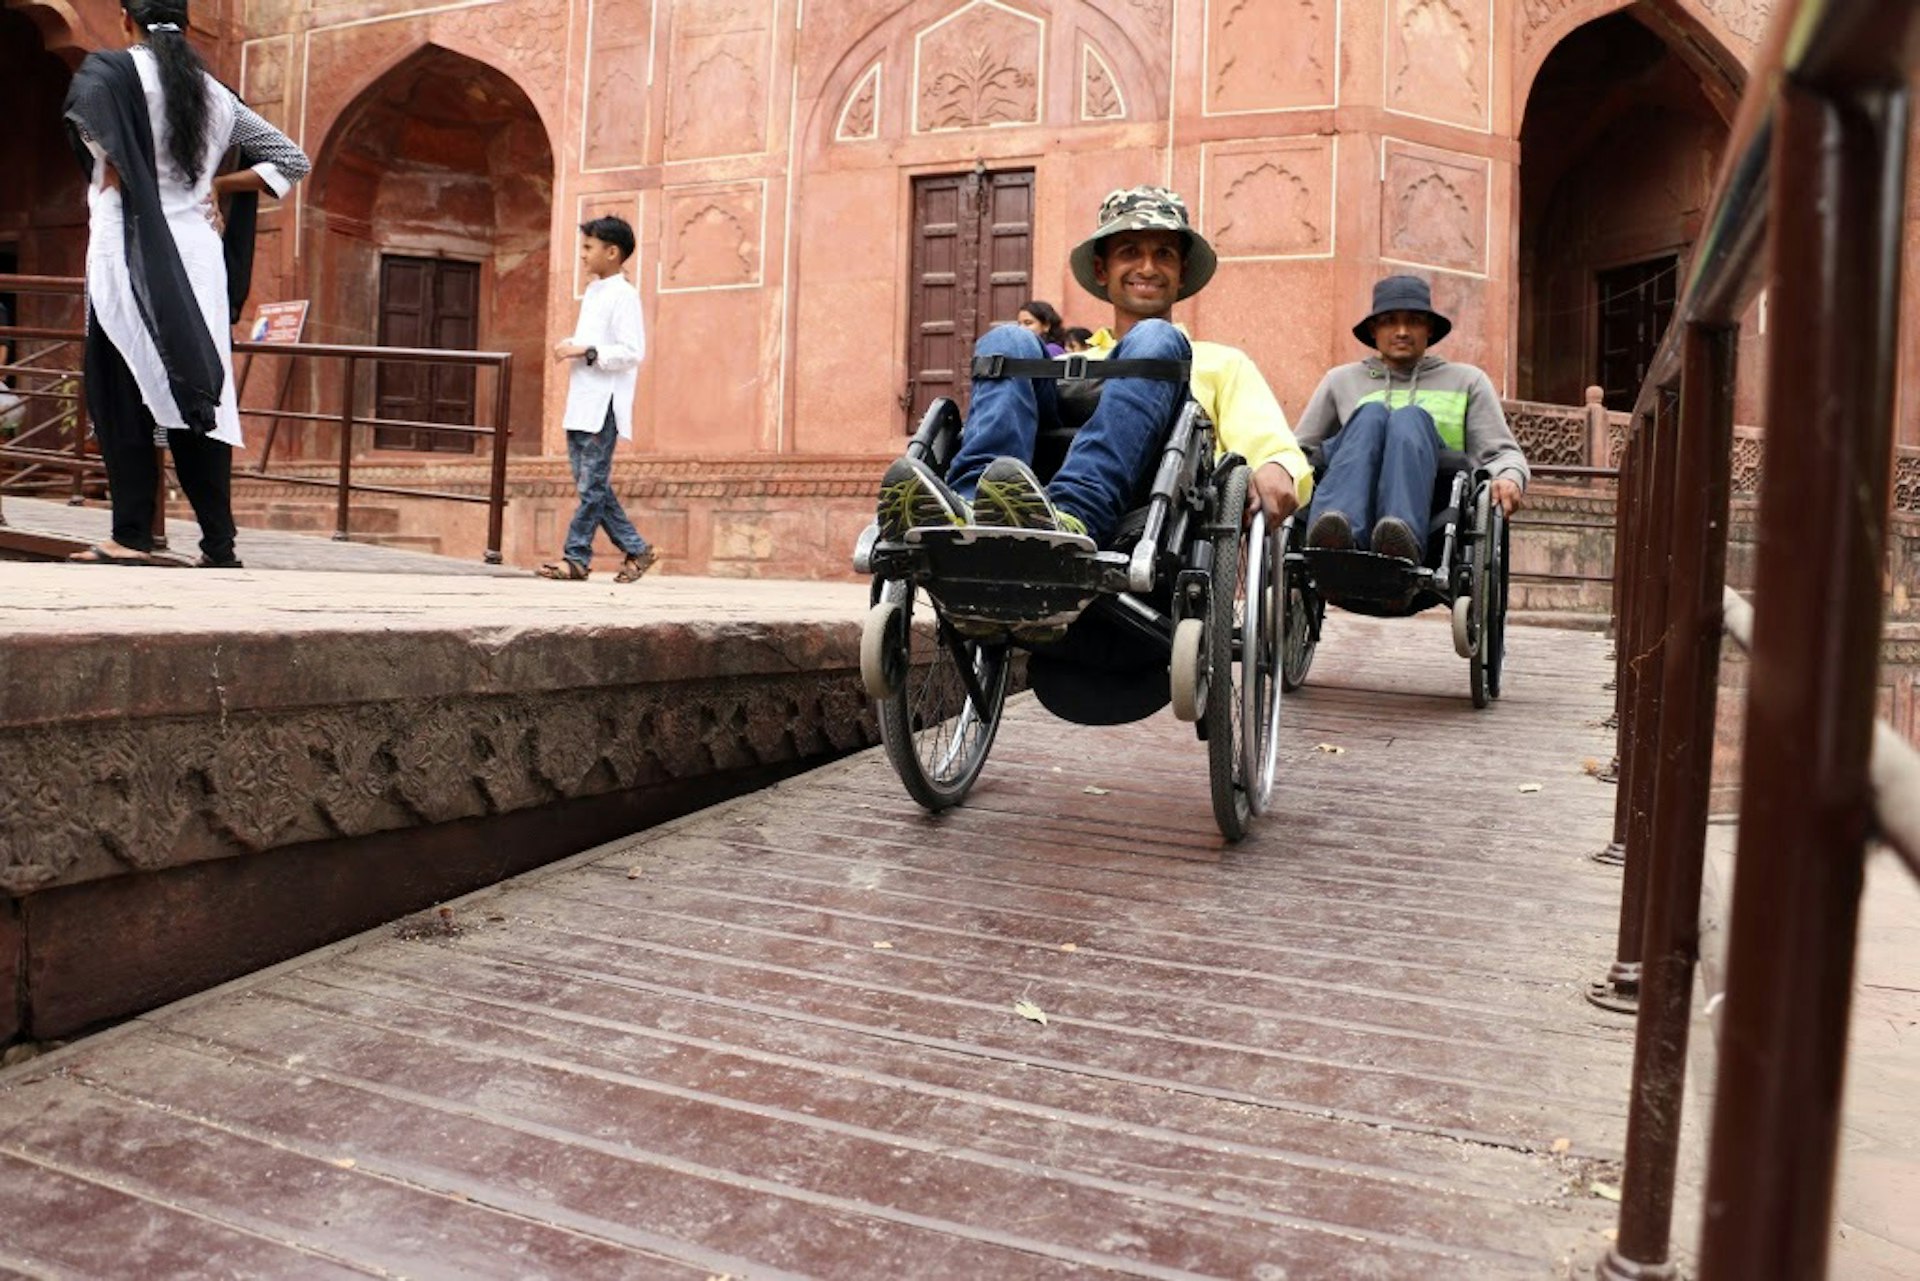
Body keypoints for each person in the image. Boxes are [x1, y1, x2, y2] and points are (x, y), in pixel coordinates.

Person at [877, 185, 1308, 551]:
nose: (1147, 267)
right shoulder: (1068, 364)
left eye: (1163, 254)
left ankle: (1071, 515)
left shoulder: (1221, 362)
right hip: (1028, 498)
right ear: (1103, 269)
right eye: (1129, 252)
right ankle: (969, 507)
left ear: (1181, 273)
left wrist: (1276, 467)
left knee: (1156, 338)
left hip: (1149, 521)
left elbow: (1275, 448)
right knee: (1007, 340)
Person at [61, 0, 309, 567]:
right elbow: (291, 160)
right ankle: (219, 547)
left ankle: (131, 535)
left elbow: (101, 148)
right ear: (188, 24)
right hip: (197, 256)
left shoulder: (110, 75)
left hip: (130, 247)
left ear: (127, 18)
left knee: (124, 384)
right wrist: (218, 187)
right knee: (201, 389)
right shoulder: (216, 94)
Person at [1294, 275, 1527, 562]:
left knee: (1410, 419)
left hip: (1434, 511)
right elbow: (1300, 451)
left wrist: (1509, 477)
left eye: (1414, 321)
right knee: (1371, 415)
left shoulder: (1467, 381)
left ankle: (1398, 537)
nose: (1402, 331)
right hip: (1348, 494)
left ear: (1429, 329)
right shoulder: (1340, 381)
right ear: (1373, 329)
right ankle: (1336, 536)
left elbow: (1502, 453)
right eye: (1390, 320)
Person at [539, 215, 656, 583]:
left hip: (603, 404)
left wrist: (584, 350)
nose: (583, 255)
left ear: (612, 251)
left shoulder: (623, 295)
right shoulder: (595, 292)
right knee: (593, 487)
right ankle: (637, 549)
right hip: (583, 401)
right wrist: (575, 348)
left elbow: (632, 351)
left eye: (588, 248)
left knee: (592, 487)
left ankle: (575, 557)